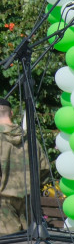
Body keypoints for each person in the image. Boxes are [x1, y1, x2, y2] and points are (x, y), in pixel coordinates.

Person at [0, 99, 31, 235]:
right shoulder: (29, 138)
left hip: (3, 202)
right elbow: (43, 168)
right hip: (28, 200)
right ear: (11, 113)